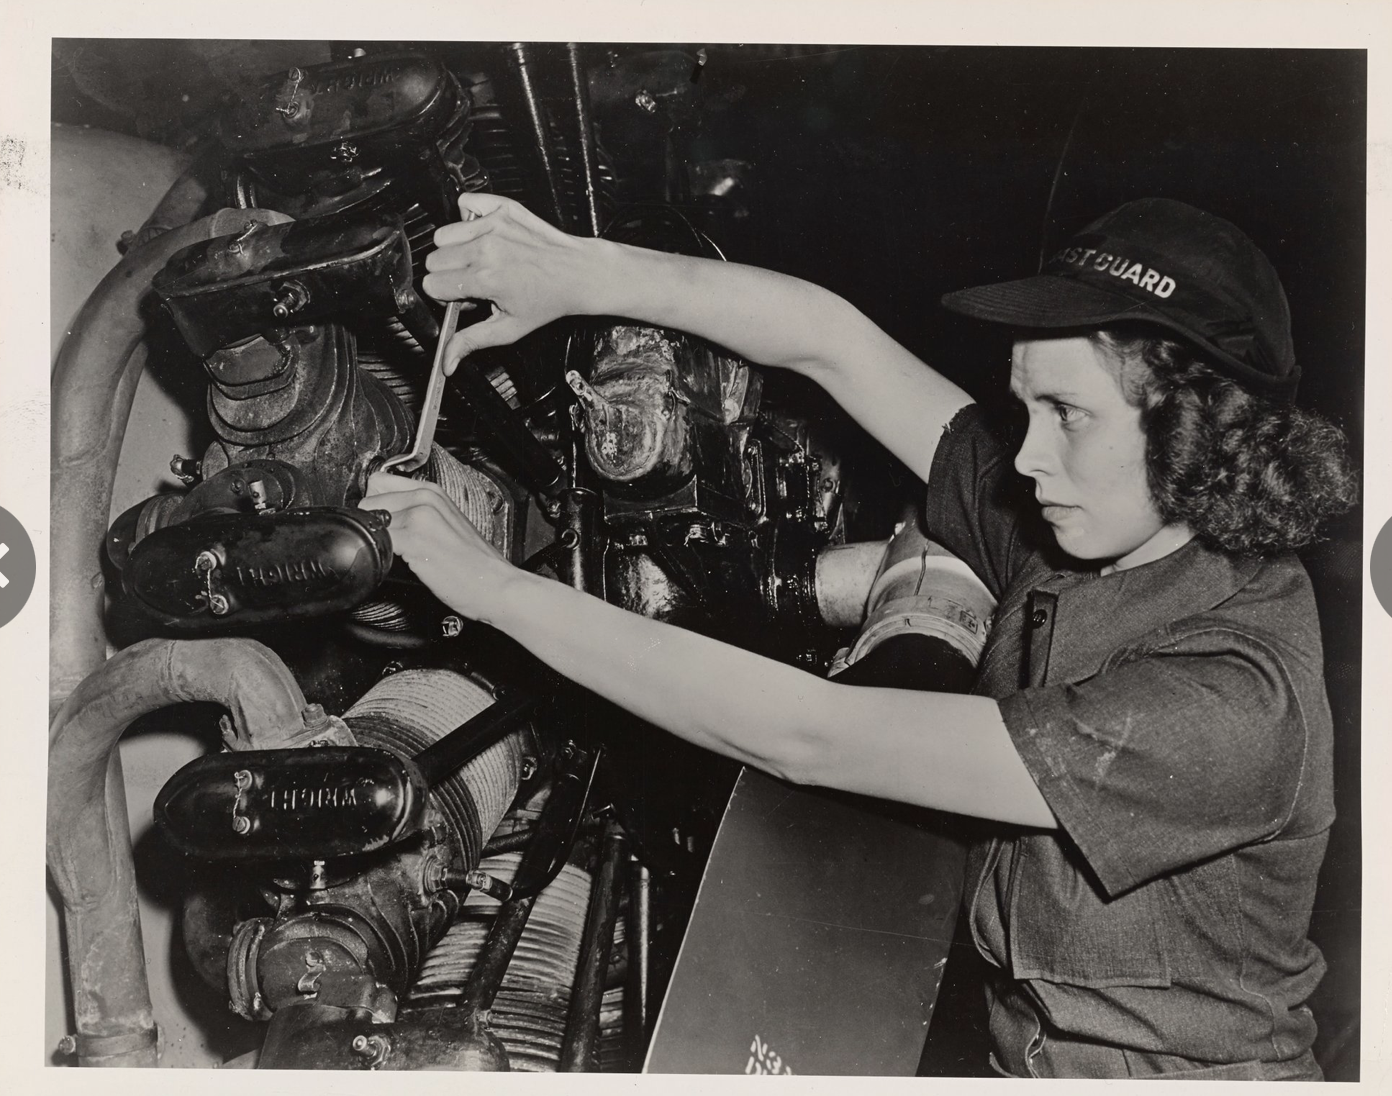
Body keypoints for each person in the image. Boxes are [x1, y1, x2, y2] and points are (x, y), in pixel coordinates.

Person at [360, 193, 1357, 1079]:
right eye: (1023, 407)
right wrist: (574, 271)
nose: (1027, 455)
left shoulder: (1233, 703)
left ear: (1195, 433)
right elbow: (830, 340)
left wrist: (491, 587)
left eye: (1067, 415)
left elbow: (810, 734)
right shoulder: (1098, 527)